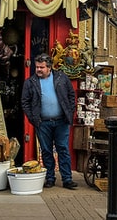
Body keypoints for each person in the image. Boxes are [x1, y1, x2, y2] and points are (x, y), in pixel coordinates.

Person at [21, 53, 78, 190]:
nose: (39, 70)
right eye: (37, 67)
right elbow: (25, 102)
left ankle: (67, 179)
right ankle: (50, 178)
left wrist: (69, 112)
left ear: (49, 67)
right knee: (46, 151)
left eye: (42, 67)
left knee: (63, 149)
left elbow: (71, 95)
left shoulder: (61, 78)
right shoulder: (30, 82)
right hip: (42, 122)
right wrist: (33, 118)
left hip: (61, 121)